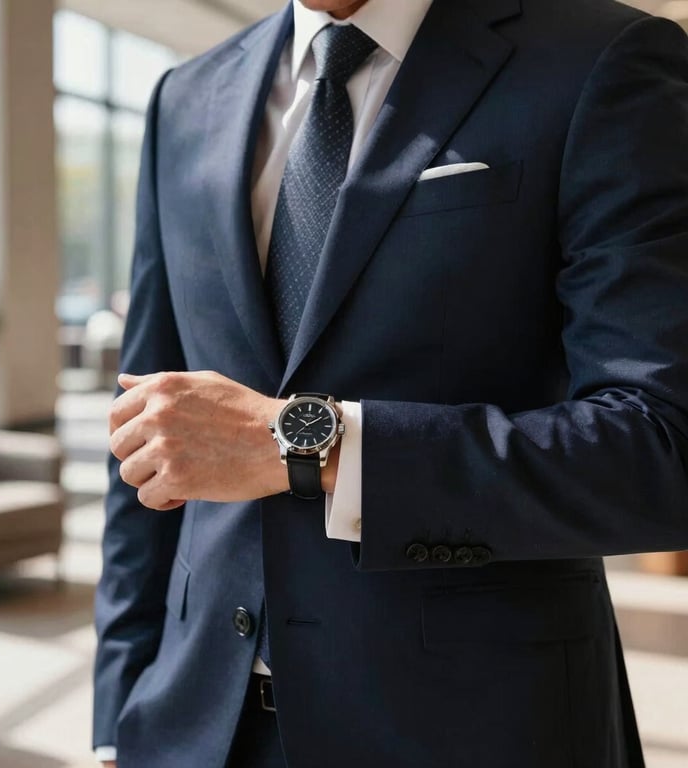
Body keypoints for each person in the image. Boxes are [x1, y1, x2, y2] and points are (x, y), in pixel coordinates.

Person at [92, 0, 688, 765]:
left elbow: (662, 447)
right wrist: (118, 713)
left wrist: (307, 444)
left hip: (475, 729)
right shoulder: (184, 98)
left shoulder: (603, 60)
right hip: (196, 726)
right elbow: (144, 427)